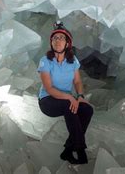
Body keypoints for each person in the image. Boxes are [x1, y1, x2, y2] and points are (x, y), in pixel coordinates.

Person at [37, 21, 94, 164]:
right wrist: (70, 97)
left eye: (61, 38)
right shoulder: (45, 61)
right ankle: (80, 149)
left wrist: (80, 96)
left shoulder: (72, 61)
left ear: (68, 43)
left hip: (65, 99)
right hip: (48, 101)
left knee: (87, 109)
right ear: (51, 42)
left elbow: (77, 82)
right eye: (54, 38)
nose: (57, 41)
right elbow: (49, 88)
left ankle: (68, 150)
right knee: (69, 106)